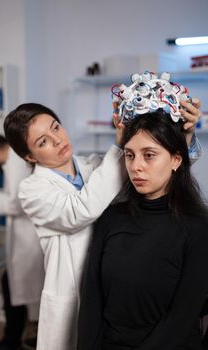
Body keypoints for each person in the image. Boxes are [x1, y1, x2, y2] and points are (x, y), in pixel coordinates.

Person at [3, 100, 201, 350]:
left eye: (55, 128)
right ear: (29, 156)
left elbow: (156, 170)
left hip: (113, 291)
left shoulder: (94, 166)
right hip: (74, 296)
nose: (57, 140)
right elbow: (80, 210)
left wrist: (185, 135)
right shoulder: (31, 190)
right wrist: (119, 146)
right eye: (42, 141)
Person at [77, 110, 208, 350]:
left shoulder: (198, 227)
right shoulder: (110, 219)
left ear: (176, 160)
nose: (136, 166)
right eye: (129, 155)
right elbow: (91, 304)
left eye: (149, 155)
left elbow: (182, 317)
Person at [0, 134, 45, 350]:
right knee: (12, 285)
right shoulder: (14, 162)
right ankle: (15, 337)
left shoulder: (16, 163)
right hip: (26, 239)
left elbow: (15, 205)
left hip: (29, 240)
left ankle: (14, 339)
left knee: (13, 285)